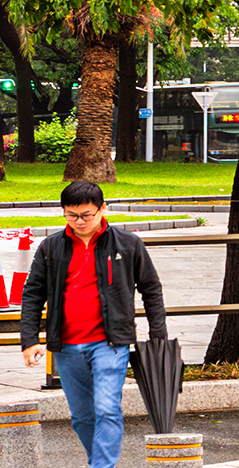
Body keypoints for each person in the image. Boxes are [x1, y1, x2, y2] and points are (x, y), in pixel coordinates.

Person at [19, 179, 168, 468]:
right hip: (66, 346)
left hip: (110, 343)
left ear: (102, 209)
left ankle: (102, 466)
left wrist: (158, 335)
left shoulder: (128, 243)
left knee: (107, 409)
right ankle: (97, 461)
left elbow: (151, 289)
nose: (79, 221)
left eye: (86, 215)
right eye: (71, 215)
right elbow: (32, 294)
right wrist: (29, 340)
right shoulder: (51, 247)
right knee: (82, 416)